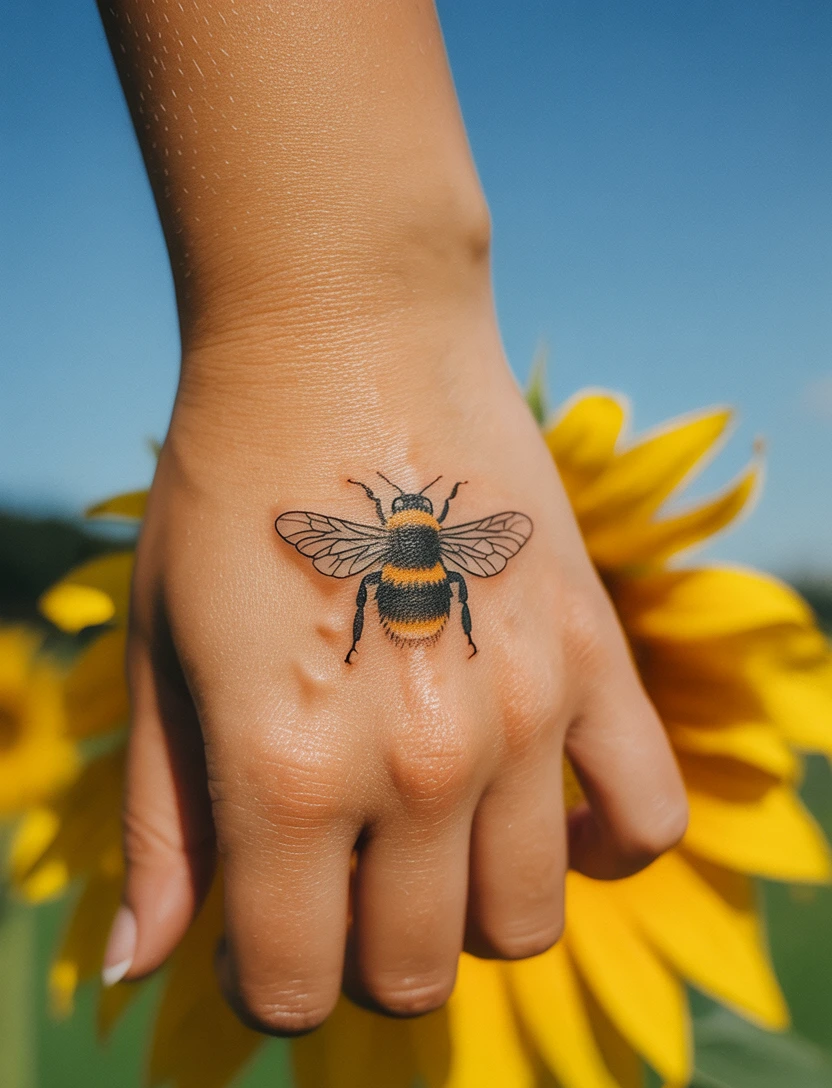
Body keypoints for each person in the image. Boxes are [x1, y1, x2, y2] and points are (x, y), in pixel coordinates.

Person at [98, 0, 687, 1035]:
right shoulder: (452, 545)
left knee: (385, 601)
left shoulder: (377, 547)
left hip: (399, 593)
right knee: (421, 601)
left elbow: (362, 546)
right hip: (428, 593)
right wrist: (359, 309)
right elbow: (462, 548)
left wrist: (349, 309)